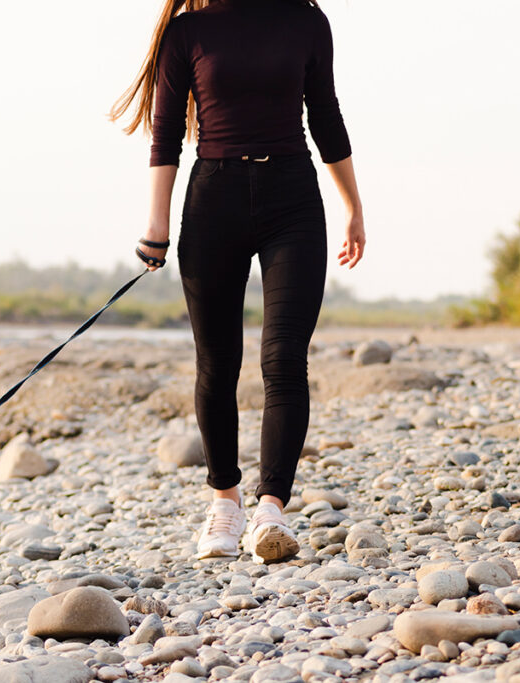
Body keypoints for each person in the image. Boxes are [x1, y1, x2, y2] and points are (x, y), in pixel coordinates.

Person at [110, 0, 365, 563]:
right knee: (217, 363)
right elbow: (166, 132)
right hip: (214, 199)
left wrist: (353, 207)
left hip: (293, 200)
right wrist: (157, 223)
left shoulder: (306, 21)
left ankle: (272, 508)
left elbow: (325, 114)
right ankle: (224, 502)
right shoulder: (188, 33)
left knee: (283, 358)